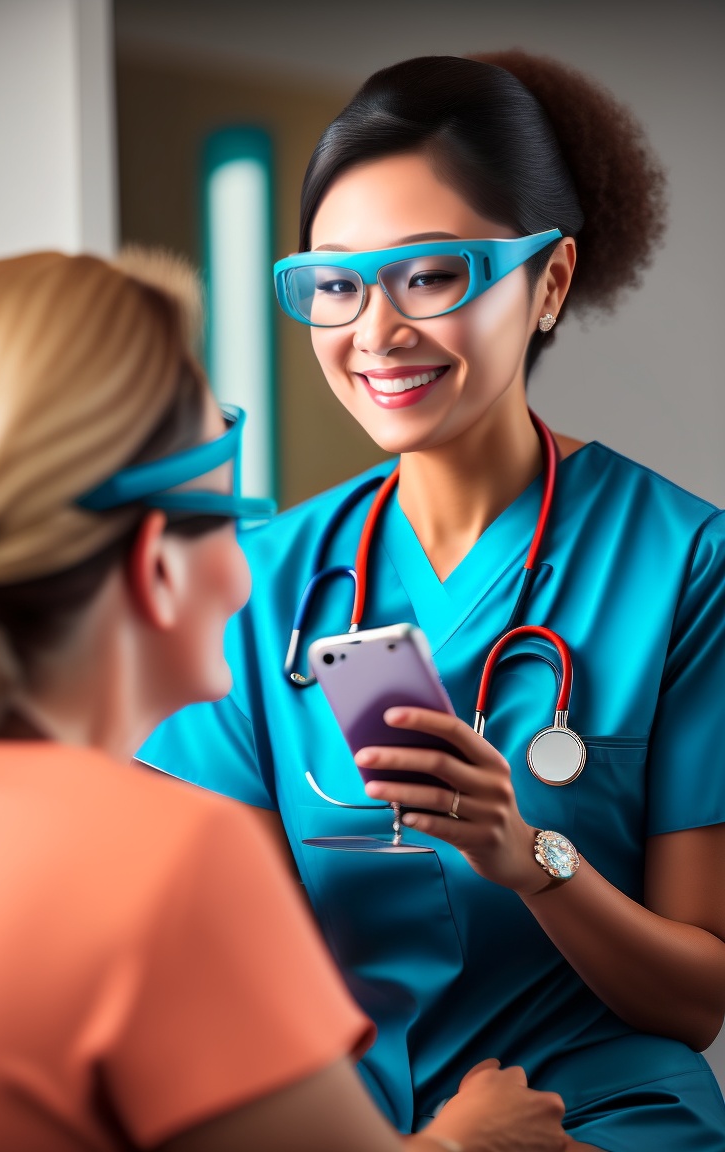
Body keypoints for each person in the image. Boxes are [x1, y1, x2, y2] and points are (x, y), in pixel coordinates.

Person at [139, 51, 725, 1151]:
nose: (374, 332)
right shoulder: (256, 584)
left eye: (432, 275)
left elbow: (696, 997)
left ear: (548, 280)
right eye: (336, 281)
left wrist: (530, 854)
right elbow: (232, 982)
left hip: (596, 1125)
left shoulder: (687, 563)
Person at [0, 249, 569, 1152]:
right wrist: (464, 1145)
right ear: (157, 566)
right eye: (232, 521)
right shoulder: (165, 862)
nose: (250, 578)